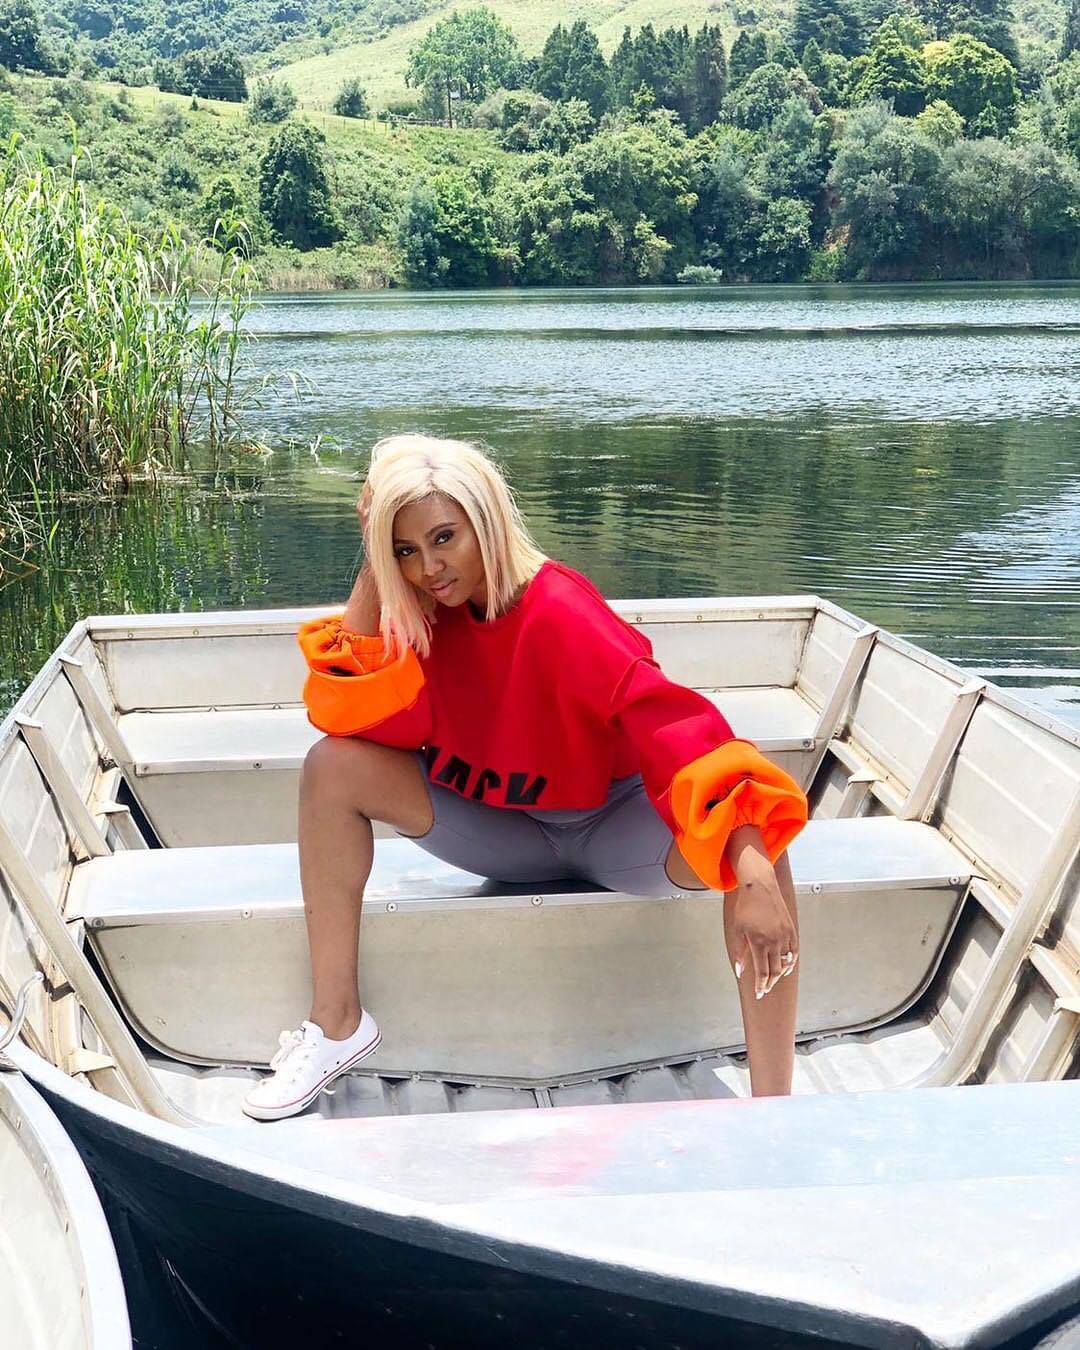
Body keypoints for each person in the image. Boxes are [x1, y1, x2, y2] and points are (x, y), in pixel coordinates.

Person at [242, 434, 807, 1121]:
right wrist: (375, 557)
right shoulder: (422, 614)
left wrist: (751, 872)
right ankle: (337, 1024)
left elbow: (674, 728)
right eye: (406, 550)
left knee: (760, 846)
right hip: (505, 831)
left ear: (485, 521)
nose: (429, 568)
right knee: (331, 765)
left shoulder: (560, 609)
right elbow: (346, 713)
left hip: (616, 830)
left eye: (444, 538)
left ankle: (774, 1112)